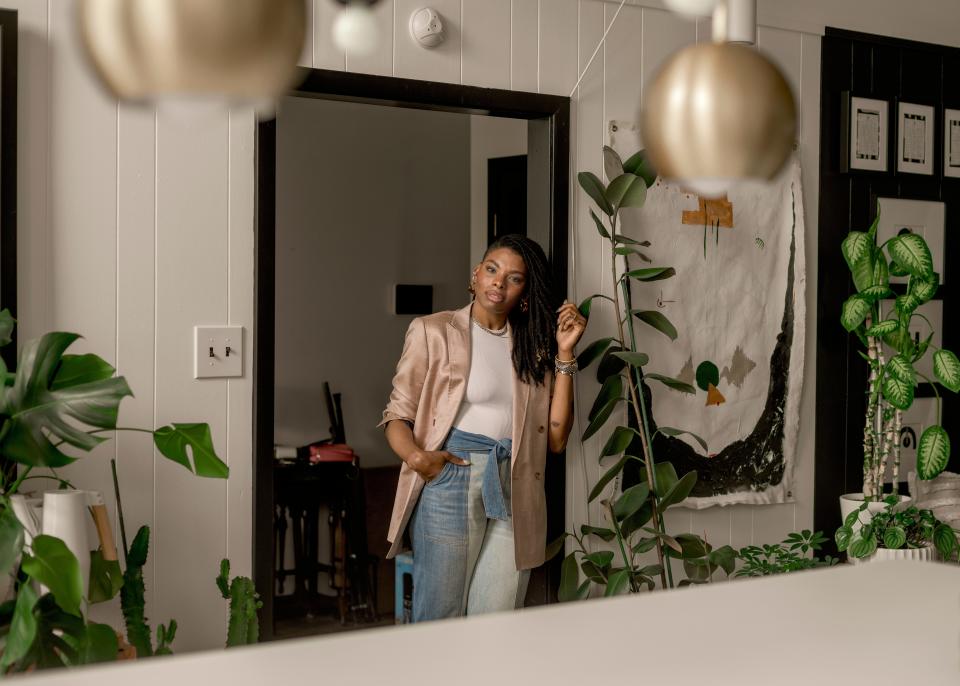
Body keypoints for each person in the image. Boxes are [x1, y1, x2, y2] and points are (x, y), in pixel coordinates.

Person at [378, 234, 586, 622]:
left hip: (515, 480)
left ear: (525, 291)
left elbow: (556, 438)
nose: (499, 283)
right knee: (440, 616)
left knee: (498, 618)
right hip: (451, 475)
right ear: (475, 275)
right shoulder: (432, 330)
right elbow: (397, 415)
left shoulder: (533, 348)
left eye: (514, 278)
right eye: (492, 270)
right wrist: (420, 459)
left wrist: (564, 353)